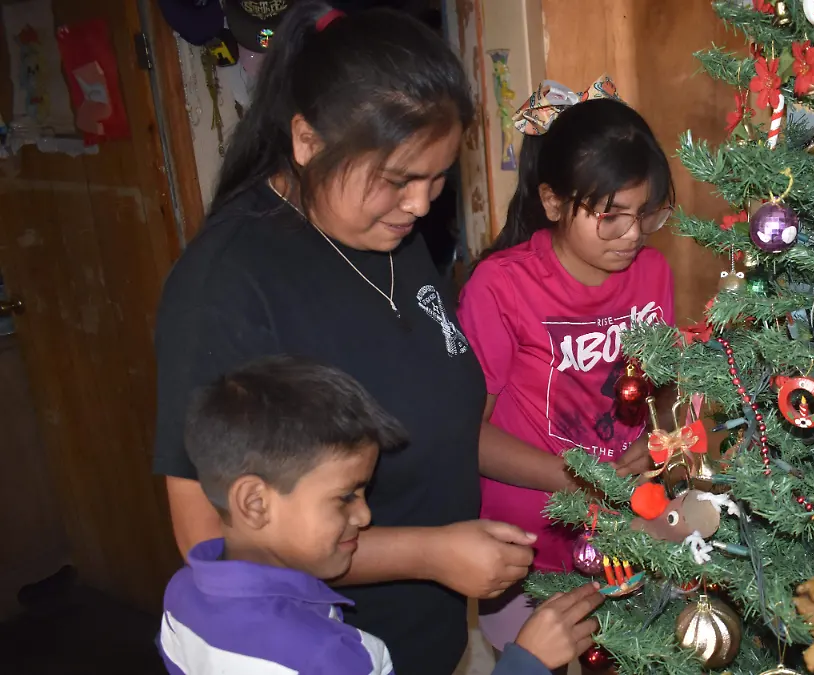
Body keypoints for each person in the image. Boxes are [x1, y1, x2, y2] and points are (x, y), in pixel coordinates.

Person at [152, 4, 573, 672]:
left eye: (436, 178)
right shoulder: (226, 286)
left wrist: (573, 476)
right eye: (397, 179)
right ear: (307, 140)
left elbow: (441, 419)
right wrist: (431, 552)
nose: (420, 204)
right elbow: (214, 540)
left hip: (432, 638)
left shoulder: (387, 234)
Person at [158, 357, 602, 675]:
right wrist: (528, 661)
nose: (365, 515)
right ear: (255, 503)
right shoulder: (328, 657)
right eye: (345, 497)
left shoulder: (181, 595)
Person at [456, 83, 677, 651]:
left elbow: (665, 387)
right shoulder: (501, 287)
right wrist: (575, 480)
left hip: (627, 528)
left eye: (645, 213)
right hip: (525, 546)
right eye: (610, 216)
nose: (631, 235)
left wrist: (661, 434)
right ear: (552, 202)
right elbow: (464, 436)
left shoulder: (652, 274)